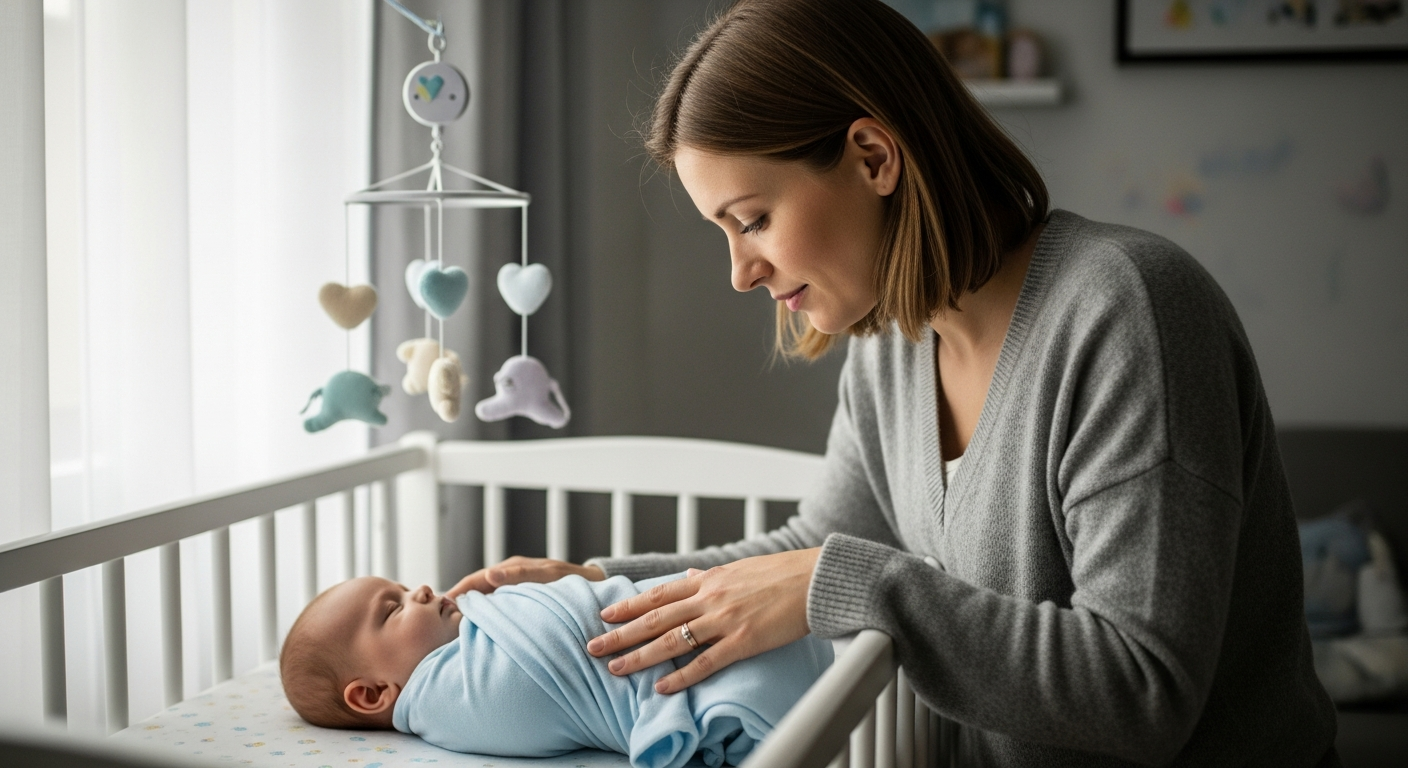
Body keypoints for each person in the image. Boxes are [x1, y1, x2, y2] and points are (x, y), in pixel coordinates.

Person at [448, 0, 1338, 764]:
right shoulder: (893, 340)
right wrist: (604, 584)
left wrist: (845, 583)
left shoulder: (1127, 312)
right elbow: (820, 544)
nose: (740, 274)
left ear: (874, 157)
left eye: (752, 220)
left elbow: (1143, 689)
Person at [279, 575, 831, 768]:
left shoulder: (472, 629)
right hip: (697, 672)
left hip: (732, 623)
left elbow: (564, 615)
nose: (421, 589)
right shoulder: (448, 698)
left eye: (401, 585)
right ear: (374, 693)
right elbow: (532, 691)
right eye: (394, 608)